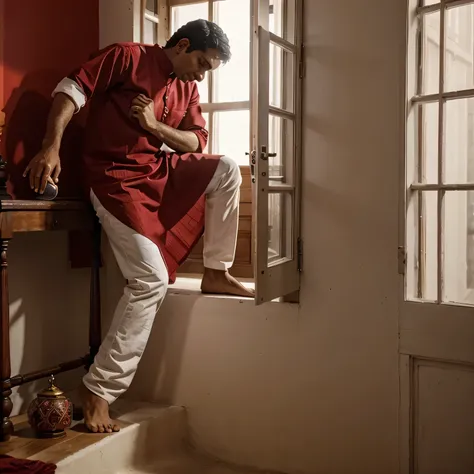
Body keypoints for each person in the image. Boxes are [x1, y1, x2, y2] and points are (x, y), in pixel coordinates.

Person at [23, 19, 254, 435]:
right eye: (201, 62)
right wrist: (50, 146)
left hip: (156, 174)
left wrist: (153, 126)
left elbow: (196, 142)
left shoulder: (189, 88)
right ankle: (99, 390)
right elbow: (70, 89)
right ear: (182, 45)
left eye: (209, 69)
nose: (202, 74)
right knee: (150, 279)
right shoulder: (128, 56)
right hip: (113, 179)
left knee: (225, 169)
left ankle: (217, 271)